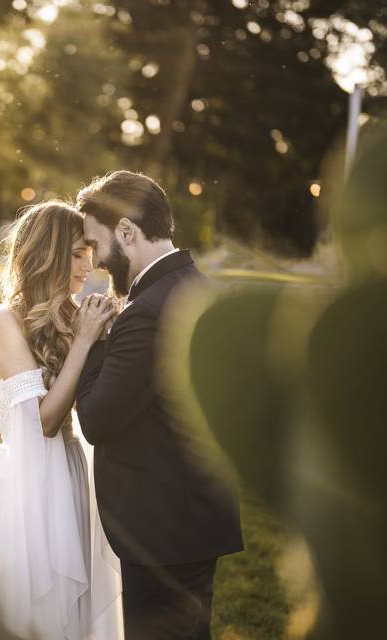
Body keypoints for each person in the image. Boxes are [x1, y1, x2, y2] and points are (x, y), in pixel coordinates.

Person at [74, 171, 243, 640]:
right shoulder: (197, 286)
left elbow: (96, 419)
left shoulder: (147, 311)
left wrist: (90, 342)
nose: (96, 261)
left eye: (96, 244)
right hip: (190, 516)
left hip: (160, 529)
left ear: (127, 232)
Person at [0, 200, 125, 640]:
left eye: (89, 252)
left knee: (74, 616)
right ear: (48, 253)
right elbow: (43, 423)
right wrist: (84, 342)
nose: (89, 264)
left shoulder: (73, 317)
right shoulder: (7, 323)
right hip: (30, 486)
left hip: (73, 474)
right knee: (36, 614)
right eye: (78, 253)